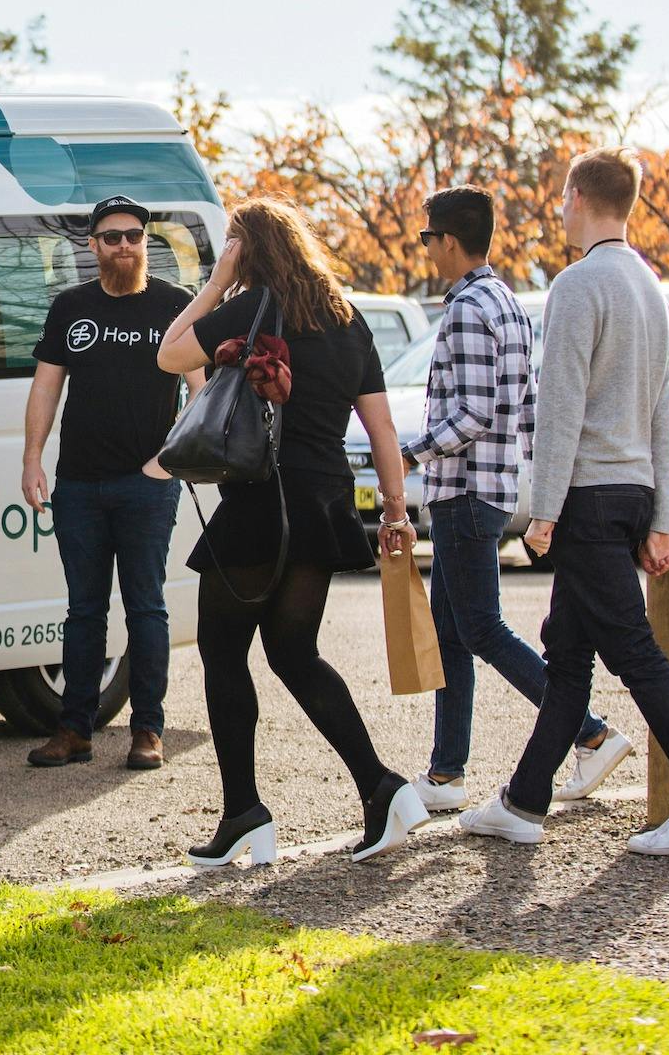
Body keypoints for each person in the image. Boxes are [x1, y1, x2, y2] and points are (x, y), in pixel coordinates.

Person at [459, 149, 669, 856]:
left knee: (632, 651)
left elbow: (559, 407)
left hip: (585, 496)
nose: (560, 209)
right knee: (569, 655)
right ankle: (524, 803)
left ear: (579, 196)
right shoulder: (652, 288)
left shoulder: (579, 285)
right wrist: (662, 517)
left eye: (562, 198)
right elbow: (660, 417)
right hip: (631, 491)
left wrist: (544, 510)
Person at [158, 197, 428, 867]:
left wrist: (218, 281)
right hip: (325, 499)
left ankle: (245, 814)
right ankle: (381, 787)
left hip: (260, 501)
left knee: (223, 654)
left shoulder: (253, 307)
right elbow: (382, 427)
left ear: (247, 249)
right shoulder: (346, 317)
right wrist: (395, 513)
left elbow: (169, 355)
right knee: (294, 653)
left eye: (231, 244)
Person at [402, 187, 630, 814]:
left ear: (449, 240)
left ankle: (590, 731)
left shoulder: (469, 309)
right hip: (487, 488)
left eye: (427, 238)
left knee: (480, 628)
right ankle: (447, 774)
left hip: (466, 492)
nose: (426, 249)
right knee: (452, 630)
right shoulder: (504, 302)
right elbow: (522, 408)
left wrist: (410, 453)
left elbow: (475, 412)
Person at [21, 196, 204, 771]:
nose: (123, 245)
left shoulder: (176, 308)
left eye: (133, 236)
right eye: (111, 236)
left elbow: (202, 392)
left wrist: (167, 461)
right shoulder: (71, 308)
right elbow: (47, 387)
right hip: (78, 484)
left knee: (146, 607)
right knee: (83, 611)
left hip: (147, 486)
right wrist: (32, 458)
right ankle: (74, 729)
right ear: (93, 245)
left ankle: (147, 730)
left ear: (145, 243)